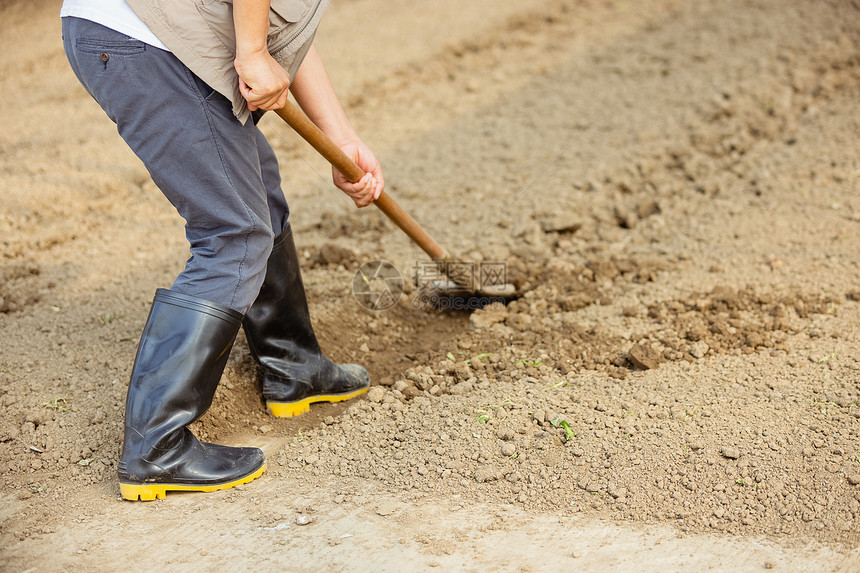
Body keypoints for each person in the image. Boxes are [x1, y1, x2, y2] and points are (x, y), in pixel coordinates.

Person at [60, 0, 385, 501]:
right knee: (234, 231)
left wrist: (340, 137)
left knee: (256, 184)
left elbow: (287, 20)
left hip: (162, 33)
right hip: (148, 38)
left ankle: (294, 366)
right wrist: (252, 50)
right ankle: (156, 448)